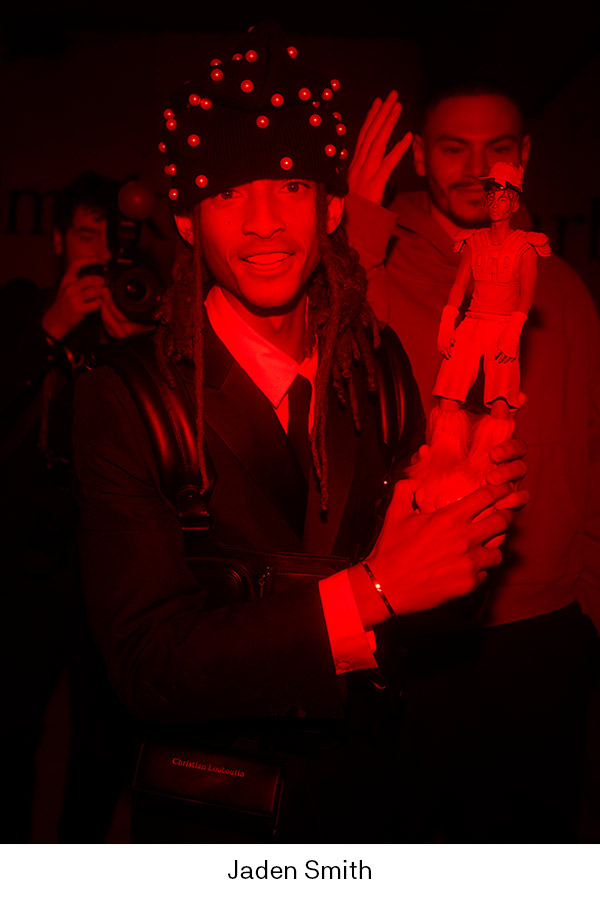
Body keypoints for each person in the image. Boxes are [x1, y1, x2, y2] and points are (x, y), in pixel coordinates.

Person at [72, 26, 527, 843]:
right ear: (186, 221)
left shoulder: (373, 363)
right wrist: (372, 590)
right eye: (227, 194)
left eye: (288, 186)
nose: (263, 224)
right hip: (216, 816)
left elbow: (428, 621)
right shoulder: (128, 396)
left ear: (330, 206)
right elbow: (146, 666)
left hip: (373, 804)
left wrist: (454, 516)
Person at [345, 83, 600, 840]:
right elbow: (329, 372)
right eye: (454, 147)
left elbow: (591, 448)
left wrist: (590, 607)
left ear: (524, 157)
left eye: (497, 148)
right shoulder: (375, 267)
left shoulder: (563, 288)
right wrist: (360, 228)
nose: (476, 167)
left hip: (546, 630)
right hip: (413, 632)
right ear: (422, 158)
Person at [0, 171, 151, 842]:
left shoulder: (139, 311)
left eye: (113, 238)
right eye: (88, 236)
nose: (102, 253)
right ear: (59, 239)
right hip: (22, 562)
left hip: (105, 567)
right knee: (10, 729)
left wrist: (134, 346)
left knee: (102, 744)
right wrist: (51, 328)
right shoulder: (19, 306)